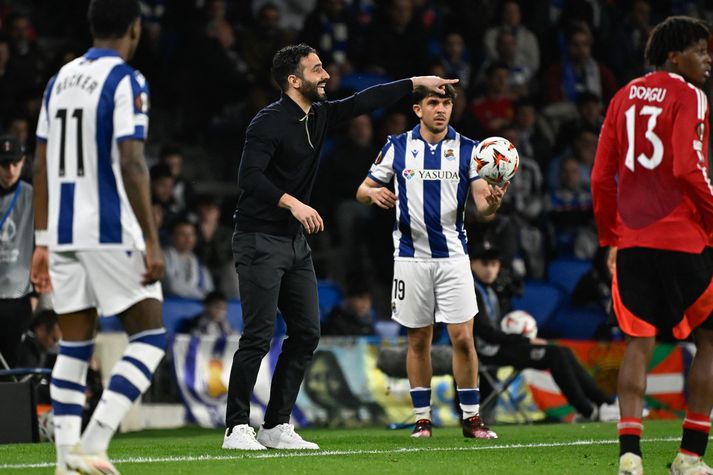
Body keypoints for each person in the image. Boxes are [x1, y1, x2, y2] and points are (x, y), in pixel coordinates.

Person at [223, 42, 457, 451]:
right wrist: (293, 203)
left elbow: (366, 100)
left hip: (293, 243)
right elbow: (250, 178)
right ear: (294, 81)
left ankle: (276, 425)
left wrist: (417, 82)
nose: (326, 75)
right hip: (259, 238)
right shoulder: (268, 122)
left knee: (307, 333)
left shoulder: (321, 114)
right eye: (316, 70)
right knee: (258, 335)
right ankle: (236, 427)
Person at [30, 1, 166, 473]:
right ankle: (96, 439)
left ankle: (66, 460)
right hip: (108, 228)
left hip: (63, 232)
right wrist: (151, 239)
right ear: (135, 27)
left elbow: (39, 163)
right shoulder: (128, 80)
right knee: (150, 337)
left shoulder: (59, 79)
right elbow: (131, 161)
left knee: (74, 345)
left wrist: (42, 240)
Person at [591, 16, 713, 475]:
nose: (707, 60)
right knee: (710, 341)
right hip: (684, 239)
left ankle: (629, 456)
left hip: (635, 241)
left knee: (637, 344)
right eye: (700, 51)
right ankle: (689, 455)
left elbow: (601, 177)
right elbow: (688, 167)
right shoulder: (690, 95)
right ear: (674, 55)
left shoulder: (622, 97)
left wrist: (611, 238)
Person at [356, 83, 504, 439]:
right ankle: (423, 419)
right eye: (433, 102)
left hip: (454, 258)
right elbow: (362, 191)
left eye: (446, 103)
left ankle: (471, 418)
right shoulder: (397, 146)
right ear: (418, 110)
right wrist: (374, 193)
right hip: (410, 259)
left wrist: (495, 201)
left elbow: (483, 208)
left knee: (463, 339)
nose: (441, 109)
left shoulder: (468, 149)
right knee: (418, 341)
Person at [468, 240, 615, 423]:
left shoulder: (494, 290)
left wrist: (525, 339)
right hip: (488, 352)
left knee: (563, 351)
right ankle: (588, 410)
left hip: (502, 346)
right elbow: (483, 332)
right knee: (555, 355)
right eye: (484, 264)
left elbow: (506, 323)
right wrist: (525, 341)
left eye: (494, 264)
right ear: (472, 264)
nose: (490, 269)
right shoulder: (471, 291)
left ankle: (605, 403)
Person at [0, 134, 33, 369]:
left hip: (18, 296)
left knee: (13, 367)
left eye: (15, 163)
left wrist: (35, 296)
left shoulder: (33, 196)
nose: (10, 170)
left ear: (23, 162)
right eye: (4, 164)